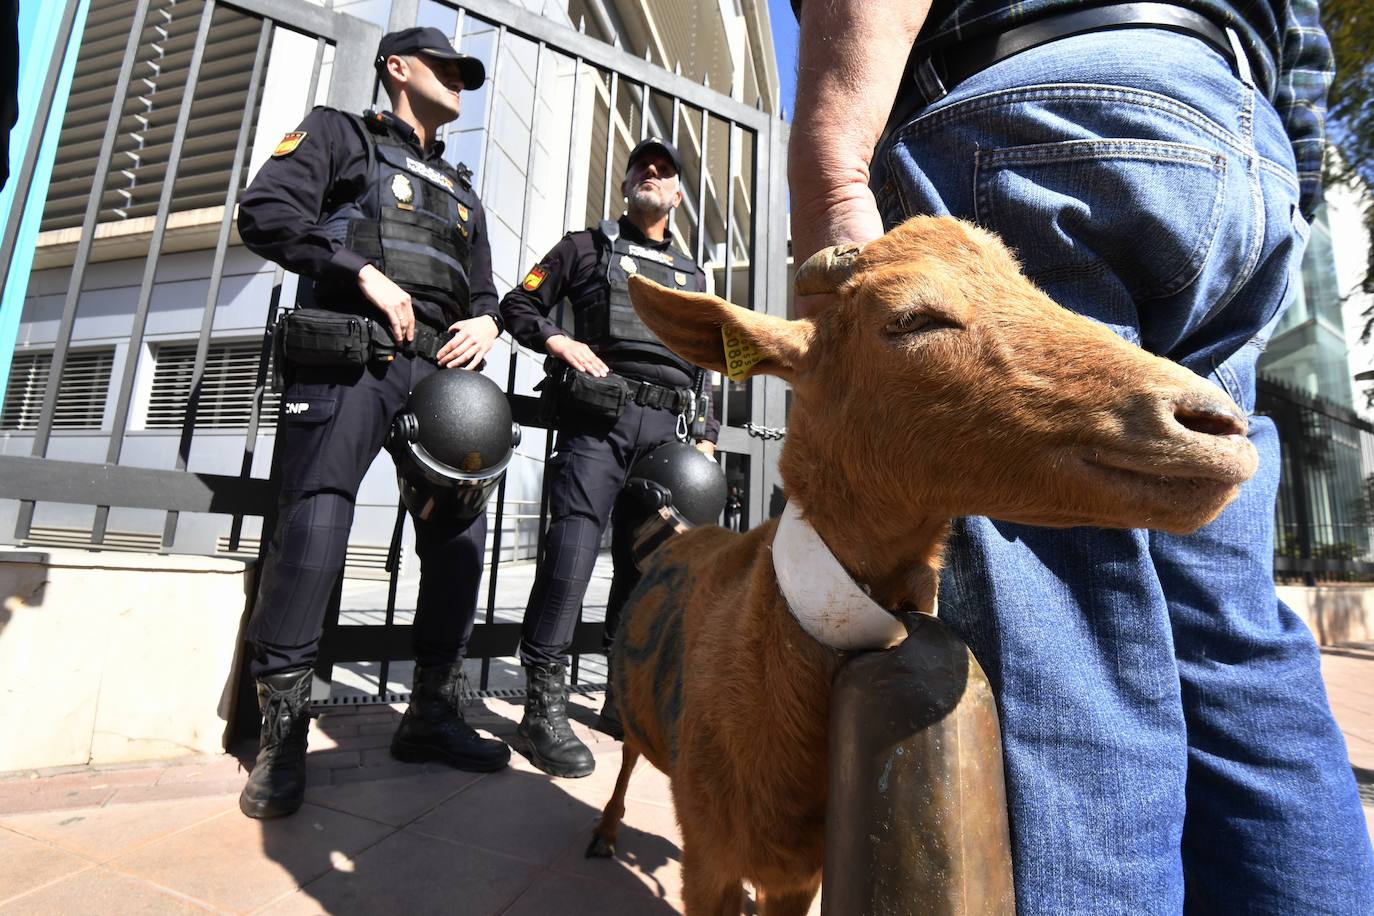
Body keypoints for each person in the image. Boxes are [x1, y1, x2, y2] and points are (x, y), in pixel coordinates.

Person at [790, 0, 1374, 912]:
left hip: (1034, 123)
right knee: (1230, 637)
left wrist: (830, 197)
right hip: (1237, 141)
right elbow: (1303, 45)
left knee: (1066, 635)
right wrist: (1273, 185)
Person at [234, 26, 510, 820]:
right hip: (354, 359)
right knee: (315, 527)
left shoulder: (461, 189)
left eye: (466, 72)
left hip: (442, 376)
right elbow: (267, 214)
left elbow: (485, 291)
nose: (460, 80)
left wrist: (488, 323)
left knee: (460, 543)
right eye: (446, 66)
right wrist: (360, 272)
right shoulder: (337, 134)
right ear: (397, 67)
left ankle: (429, 714)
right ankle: (279, 736)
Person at [500, 137, 720, 777]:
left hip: (668, 436)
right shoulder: (585, 247)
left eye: (665, 170)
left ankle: (622, 697)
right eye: (640, 168)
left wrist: (703, 433)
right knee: (571, 553)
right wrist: (559, 342)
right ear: (626, 186)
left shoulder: (696, 277)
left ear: (677, 193)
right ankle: (541, 705)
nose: (652, 174)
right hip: (599, 418)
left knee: (646, 568)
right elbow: (519, 304)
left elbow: (708, 362)